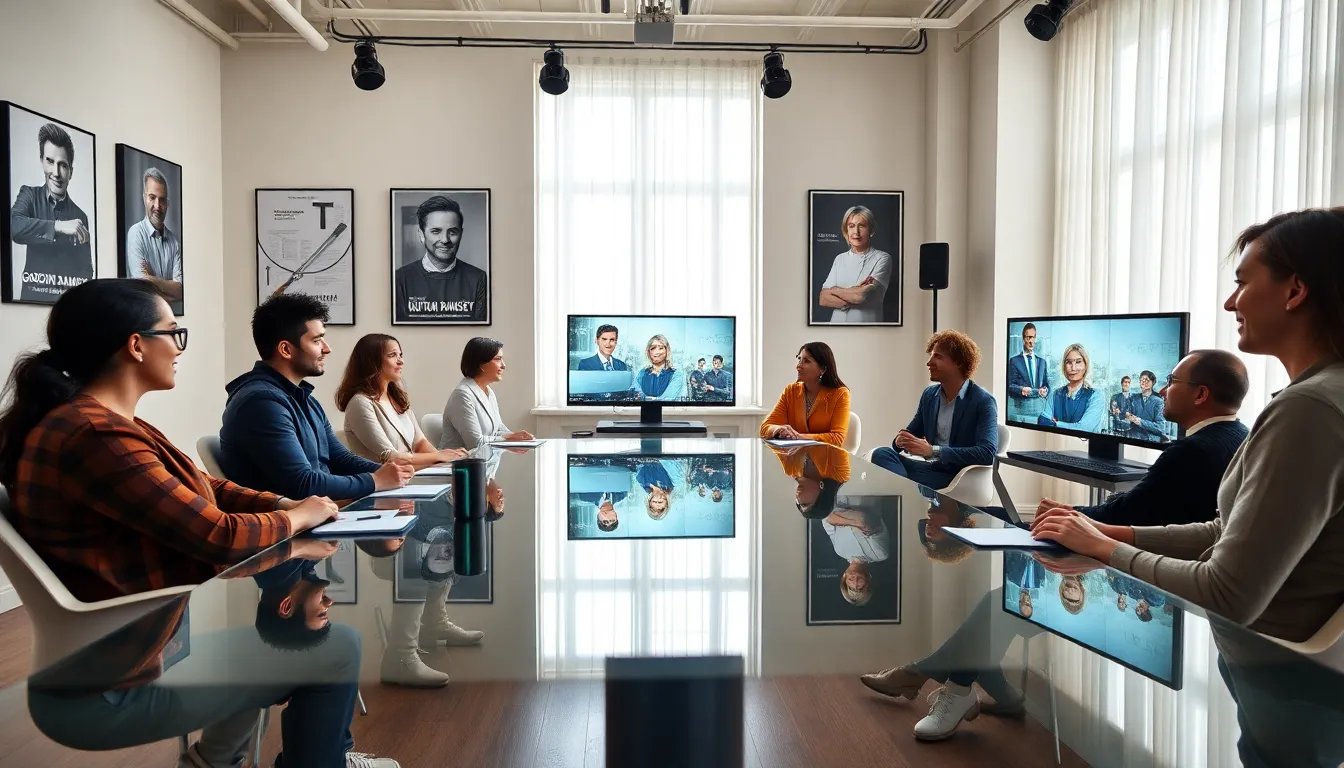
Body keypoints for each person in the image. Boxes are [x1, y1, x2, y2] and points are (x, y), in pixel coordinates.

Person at [0, 280, 400, 766]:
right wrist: (294, 517)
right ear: (135, 345)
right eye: (174, 332)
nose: (180, 347)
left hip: (132, 650)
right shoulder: (96, 434)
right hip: (112, 681)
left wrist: (284, 506)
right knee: (334, 645)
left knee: (285, 637)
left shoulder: (106, 423)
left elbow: (206, 489)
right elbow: (217, 536)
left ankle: (215, 760)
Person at [1031, 208, 1344, 767]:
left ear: (1295, 289)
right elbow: (1227, 532)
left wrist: (1104, 549)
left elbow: (1229, 593)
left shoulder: (1309, 409)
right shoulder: (1319, 399)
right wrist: (1111, 528)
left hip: (1278, 681)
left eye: (1243, 283)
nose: (1231, 303)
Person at [220, 294, 413, 501]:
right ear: (286, 349)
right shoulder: (261, 403)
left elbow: (339, 458)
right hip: (289, 529)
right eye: (316, 340)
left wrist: (391, 472)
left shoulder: (304, 398)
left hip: (323, 514)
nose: (327, 348)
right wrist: (376, 480)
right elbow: (301, 483)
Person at [1034, 350, 1250, 527]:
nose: (1163, 391)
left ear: (1200, 395)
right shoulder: (1245, 437)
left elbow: (1125, 514)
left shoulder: (1189, 452)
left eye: (1172, 381)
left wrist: (1065, 511)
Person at [870, 330, 999, 491]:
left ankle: (901, 491)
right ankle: (905, 490)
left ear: (958, 362)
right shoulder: (930, 395)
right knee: (882, 453)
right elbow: (912, 432)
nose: (929, 362)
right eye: (931, 356)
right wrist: (900, 440)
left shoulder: (983, 401)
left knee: (887, 480)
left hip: (957, 477)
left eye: (937, 357)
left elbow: (986, 454)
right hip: (930, 470)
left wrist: (934, 451)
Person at [336, 333, 467, 469]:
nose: (401, 361)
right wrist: (439, 456)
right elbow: (391, 457)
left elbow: (420, 443)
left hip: (411, 476)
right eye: (392, 355)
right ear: (371, 361)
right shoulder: (360, 403)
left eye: (400, 355)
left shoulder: (397, 399)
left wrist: (447, 462)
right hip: (381, 485)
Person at [9, 122, 93, 302]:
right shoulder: (29, 195)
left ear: (70, 172)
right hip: (29, 305)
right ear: (41, 162)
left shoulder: (81, 217)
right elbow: (13, 227)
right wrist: (58, 226)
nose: (56, 172)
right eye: (50, 161)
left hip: (67, 310)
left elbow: (86, 271)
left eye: (63, 165)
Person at [393, 195, 488, 323]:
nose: (445, 240)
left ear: (461, 234)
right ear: (421, 235)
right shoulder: (400, 279)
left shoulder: (478, 279)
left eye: (452, 232)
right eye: (436, 231)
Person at [441, 337, 533, 450]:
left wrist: (515, 437)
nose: (503, 365)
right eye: (498, 359)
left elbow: (498, 428)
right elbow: (476, 443)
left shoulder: (488, 391)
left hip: (484, 461)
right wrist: (509, 439)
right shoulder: (462, 395)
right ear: (481, 364)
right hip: (458, 464)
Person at [760, 342, 851, 447]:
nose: (798, 366)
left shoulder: (840, 394)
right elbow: (765, 428)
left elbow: (837, 438)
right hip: (796, 459)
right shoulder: (791, 391)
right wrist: (778, 429)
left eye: (806, 361)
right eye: (799, 359)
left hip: (827, 460)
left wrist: (799, 436)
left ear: (823, 369)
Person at [817, 206, 893, 323]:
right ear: (846, 231)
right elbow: (823, 298)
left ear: (871, 230)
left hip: (867, 326)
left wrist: (833, 290)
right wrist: (854, 292)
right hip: (836, 325)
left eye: (862, 226)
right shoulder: (840, 259)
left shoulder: (882, 258)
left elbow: (860, 296)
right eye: (851, 226)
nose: (856, 232)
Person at [124, 166, 183, 305]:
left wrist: (151, 279)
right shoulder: (136, 234)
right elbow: (142, 288)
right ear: (144, 198)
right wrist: (169, 288)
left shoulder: (174, 242)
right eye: (152, 198)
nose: (157, 206)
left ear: (167, 204)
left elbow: (181, 291)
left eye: (162, 200)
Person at [1037, 342, 1106, 433]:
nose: (1073, 368)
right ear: (1064, 366)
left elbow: (1084, 428)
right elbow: (1042, 421)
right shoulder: (1055, 394)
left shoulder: (1096, 396)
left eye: (1078, 362)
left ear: (1086, 365)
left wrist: (1056, 424)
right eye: (1069, 362)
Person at [1007, 323, 1050, 420]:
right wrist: (1021, 390)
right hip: (1021, 411)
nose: (1031, 341)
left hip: (1040, 410)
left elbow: (1046, 384)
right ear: (1023, 340)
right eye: (1028, 338)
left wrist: (1046, 390)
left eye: (1033, 337)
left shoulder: (1042, 362)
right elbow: (1009, 386)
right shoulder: (1014, 361)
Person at [634, 334, 686, 401]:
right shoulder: (642, 373)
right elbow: (634, 393)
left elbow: (667, 400)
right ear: (648, 352)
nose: (656, 352)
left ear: (667, 351)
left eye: (660, 348)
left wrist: (645, 399)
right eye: (653, 348)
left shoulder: (676, 374)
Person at [1125, 370, 1168, 441]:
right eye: (1141, 380)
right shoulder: (1133, 398)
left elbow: (1161, 427)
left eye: (1146, 380)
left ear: (1153, 382)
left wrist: (1139, 421)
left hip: (1151, 441)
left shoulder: (1158, 401)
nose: (1143, 382)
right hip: (1132, 438)